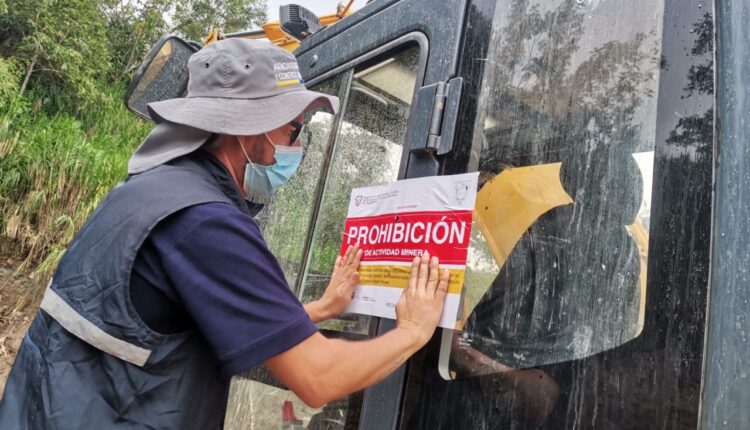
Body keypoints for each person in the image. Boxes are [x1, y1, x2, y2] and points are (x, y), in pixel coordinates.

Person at [0, 38, 449, 429]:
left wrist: (318, 309)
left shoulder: (150, 192)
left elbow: (175, 324)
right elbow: (319, 379)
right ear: (244, 126)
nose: (297, 145)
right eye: (294, 129)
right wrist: (411, 330)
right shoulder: (204, 222)